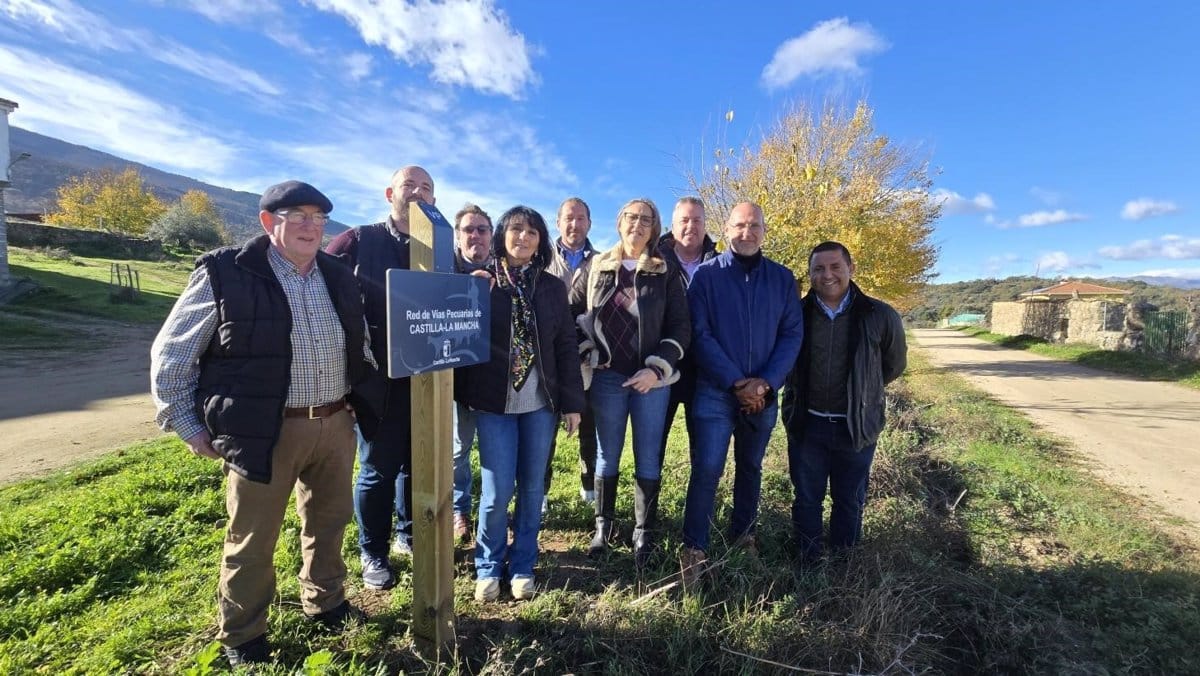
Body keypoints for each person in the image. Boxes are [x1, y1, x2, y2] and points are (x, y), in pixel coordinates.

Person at [150, 180, 385, 666]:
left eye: (318, 218)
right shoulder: (227, 272)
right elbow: (172, 355)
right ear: (267, 221)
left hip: (335, 422)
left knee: (329, 521)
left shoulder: (337, 276)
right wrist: (189, 427)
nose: (310, 226)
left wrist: (359, 395)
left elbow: (356, 342)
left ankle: (326, 602)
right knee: (252, 537)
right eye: (297, 216)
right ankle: (243, 635)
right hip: (264, 429)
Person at [454, 205, 585, 602]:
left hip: (540, 403)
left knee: (531, 488)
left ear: (541, 240)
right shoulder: (481, 281)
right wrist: (468, 292)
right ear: (502, 236)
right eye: (515, 230)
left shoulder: (550, 287)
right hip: (494, 403)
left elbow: (565, 345)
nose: (523, 237)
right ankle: (489, 565)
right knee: (496, 490)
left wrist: (572, 402)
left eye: (531, 232)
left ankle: (524, 563)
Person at [679, 201, 804, 586]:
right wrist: (737, 382)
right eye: (739, 226)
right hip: (715, 392)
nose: (746, 233)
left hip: (763, 394)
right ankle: (694, 548)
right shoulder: (705, 277)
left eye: (754, 226)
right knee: (707, 468)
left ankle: (744, 534)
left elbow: (791, 335)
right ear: (727, 229)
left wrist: (764, 383)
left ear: (764, 231)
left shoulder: (783, 280)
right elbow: (700, 335)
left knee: (751, 468)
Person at [325, 165, 434, 590]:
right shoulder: (359, 240)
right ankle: (374, 551)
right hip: (377, 382)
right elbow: (320, 292)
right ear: (391, 192)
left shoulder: (438, 249)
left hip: (427, 380)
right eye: (410, 185)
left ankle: (409, 536)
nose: (418, 193)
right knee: (378, 469)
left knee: (417, 464)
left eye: (427, 188)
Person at [573, 198, 690, 566]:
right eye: (631, 217)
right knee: (607, 454)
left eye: (646, 220)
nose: (637, 224)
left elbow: (680, 326)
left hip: (651, 380)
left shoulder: (665, 269)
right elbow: (571, 314)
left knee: (648, 454)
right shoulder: (597, 266)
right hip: (608, 378)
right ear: (619, 222)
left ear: (654, 228)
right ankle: (603, 528)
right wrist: (587, 349)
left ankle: (644, 533)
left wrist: (656, 370)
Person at [782, 241, 907, 563]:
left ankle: (843, 565)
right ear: (809, 275)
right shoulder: (796, 314)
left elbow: (892, 366)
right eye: (818, 269)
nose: (827, 275)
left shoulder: (879, 315)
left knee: (849, 500)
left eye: (835, 267)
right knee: (807, 499)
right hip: (807, 423)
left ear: (851, 269)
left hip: (856, 426)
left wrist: (862, 395)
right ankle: (807, 562)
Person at [655, 197, 719, 469]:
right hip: (661, 365)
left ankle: (699, 511)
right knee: (652, 448)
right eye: (684, 220)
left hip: (704, 371)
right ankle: (647, 511)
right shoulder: (653, 260)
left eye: (697, 220)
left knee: (701, 451)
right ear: (672, 225)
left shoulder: (719, 264)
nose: (690, 226)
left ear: (705, 225)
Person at [545, 197, 600, 505]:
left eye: (581, 218)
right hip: (546, 362)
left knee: (589, 427)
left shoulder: (602, 261)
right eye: (568, 218)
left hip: (586, 360)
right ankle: (540, 490)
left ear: (589, 223)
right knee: (545, 432)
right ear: (558, 222)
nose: (574, 224)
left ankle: (589, 487)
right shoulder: (541, 259)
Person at [444, 203, 493, 542]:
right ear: (457, 237)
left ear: (491, 237)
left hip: (496, 383)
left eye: (482, 230)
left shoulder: (506, 272)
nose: (475, 235)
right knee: (459, 451)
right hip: (456, 383)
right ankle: (460, 510)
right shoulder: (441, 271)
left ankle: (493, 510)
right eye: (468, 230)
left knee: (495, 453)